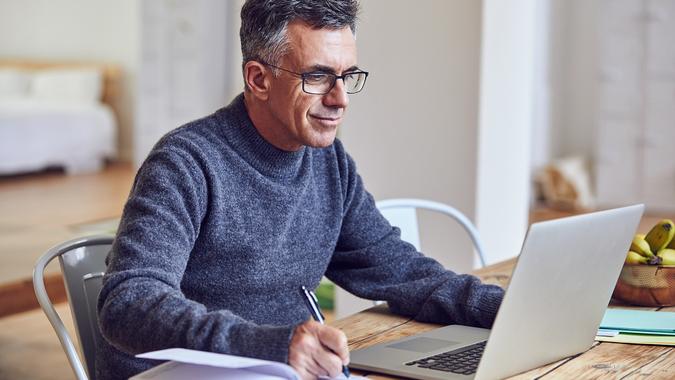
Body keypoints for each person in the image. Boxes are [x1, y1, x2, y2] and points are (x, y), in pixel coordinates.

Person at [96, 1, 505, 379]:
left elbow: (401, 272)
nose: (340, 98)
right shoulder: (184, 162)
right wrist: (270, 345)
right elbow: (129, 303)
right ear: (258, 78)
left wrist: (508, 309)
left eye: (347, 76)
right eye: (318, 76)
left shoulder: (330, 163)